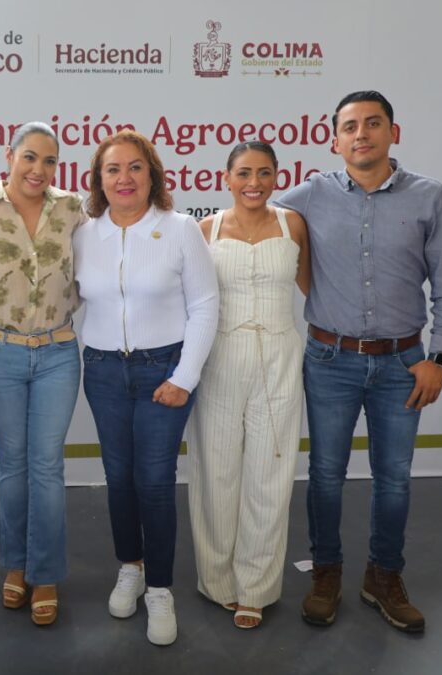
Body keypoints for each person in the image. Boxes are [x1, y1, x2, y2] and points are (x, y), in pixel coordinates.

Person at [275, 91, 442, 633]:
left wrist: (440, 357)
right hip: (328, 359)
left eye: (372, 123)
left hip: (404, 363)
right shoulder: (309, 194)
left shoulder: (431, 197)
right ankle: (328, 573)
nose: (361, 134)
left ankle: (383, 576)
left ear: (392, 132)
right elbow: (254, 213)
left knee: (395, 479)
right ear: (334, 139)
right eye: (350, 126)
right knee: (326, 475)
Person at [73, 130, 219, 646]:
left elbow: (204, 305)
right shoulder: (84, 234)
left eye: (135, 167)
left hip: (165, 371)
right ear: (98, 180)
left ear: (152, 174)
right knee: (118, 477)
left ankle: (159, 588)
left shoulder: (180, 229)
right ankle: (129, 567)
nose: (124, 178)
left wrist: (184, 377)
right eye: (112, 170)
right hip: (106, 372)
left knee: (154, 481)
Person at [0, 122, 86, 626]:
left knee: (47, 465)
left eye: (50, 161)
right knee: (12, 464)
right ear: (8, 156)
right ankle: (16, 565)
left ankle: (46, 570)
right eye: (30, 157)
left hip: (57, 352)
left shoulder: (74, 209)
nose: (39, 169)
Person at [186, 141, 310, 629]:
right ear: (227, 177)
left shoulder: (291, 224)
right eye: (243, 173)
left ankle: (256, 587)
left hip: (279, 357)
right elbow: (194, 304)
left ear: (278, 177)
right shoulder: (206, 230)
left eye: (263, 173)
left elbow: (312, 288)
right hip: (219, 359)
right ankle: (218, 581)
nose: (253, 182)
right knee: (215, 470)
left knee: (270, 471)